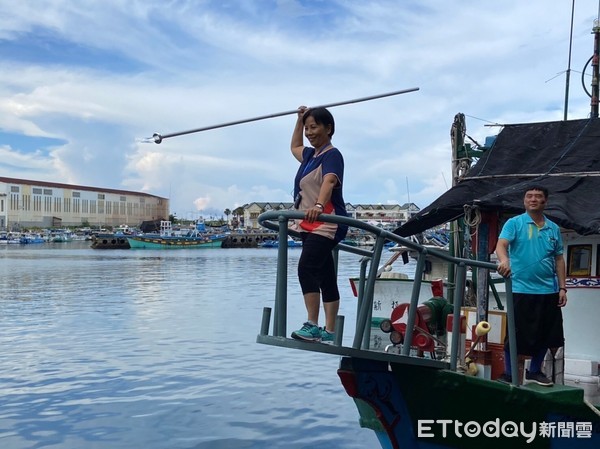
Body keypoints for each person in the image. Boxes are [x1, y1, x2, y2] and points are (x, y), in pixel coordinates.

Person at [495, 185, 567, 386]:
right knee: (515, 334)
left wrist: (563, 287)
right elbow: (501, 245)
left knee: (545, 333)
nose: (533, 199)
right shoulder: (514, 223)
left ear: (545, 201)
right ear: (524, 201)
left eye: (538, 196)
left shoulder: (553, 228)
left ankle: (535, 371)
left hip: (549, 289)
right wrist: (504, 261)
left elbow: (559, 259)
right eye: (529, 196)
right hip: (520, 288)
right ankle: (509, 373)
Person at [289, 106, 348, 342]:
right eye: (307, 128)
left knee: (306, 268)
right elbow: (294, 147)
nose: (309, 132)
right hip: (308, 224)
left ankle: (312, 324)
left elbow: (329, 180)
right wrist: (298, 120)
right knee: (325, 275)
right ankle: (330, 331)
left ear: (328, 128)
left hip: (326, 222)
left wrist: (320, 206)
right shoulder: (309, 156)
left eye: (314, 127)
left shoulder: (332, 155)